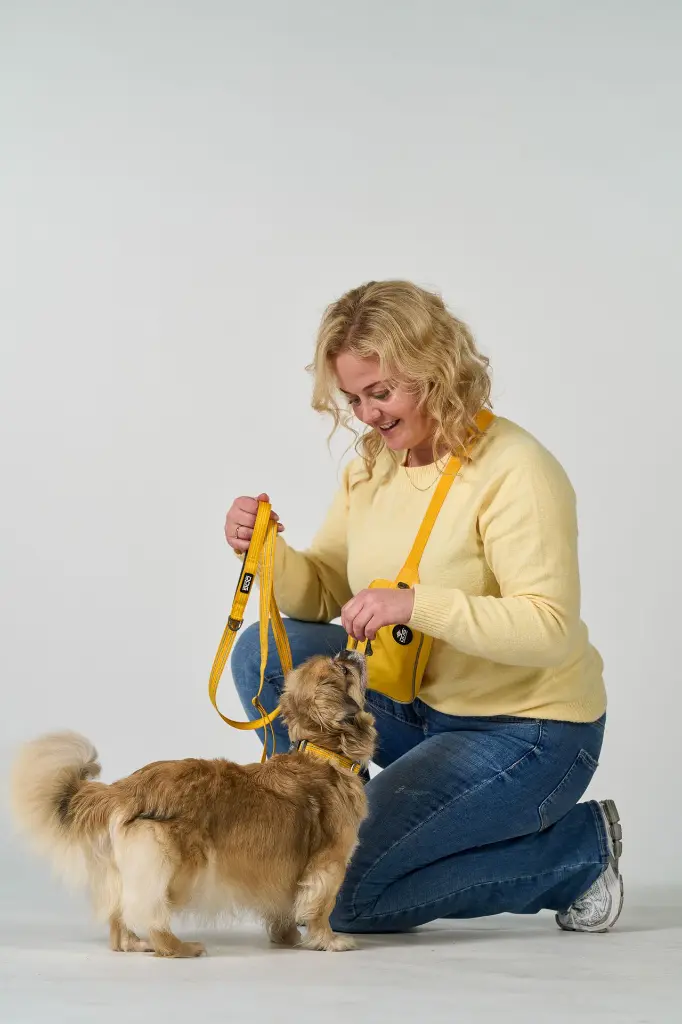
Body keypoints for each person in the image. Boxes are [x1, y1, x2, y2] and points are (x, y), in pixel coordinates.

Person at [225, 280, 623, 935]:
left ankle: (575, 855)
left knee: (340, 901)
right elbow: (322, 591)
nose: (367, 415)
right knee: (263, 652)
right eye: (354, 399)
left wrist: (415, 605)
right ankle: (316, 825)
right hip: (419, 709)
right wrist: (266, 550)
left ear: (435, 370)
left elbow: (549, 628)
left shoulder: (517, 470)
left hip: (528, 731)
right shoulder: (373, 467)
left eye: (380, 393)